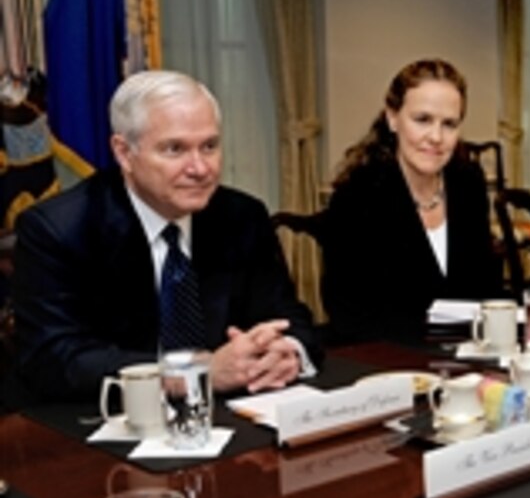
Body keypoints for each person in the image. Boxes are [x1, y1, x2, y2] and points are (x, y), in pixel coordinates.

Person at [12, 70, 321, 405]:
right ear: (124, 153)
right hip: (102, 425)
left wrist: (285, 352)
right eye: (175, 149)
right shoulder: (59, 229)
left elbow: (290, 318)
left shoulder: (241, 216)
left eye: (209, 146)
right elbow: (54, 359)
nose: (200, 168)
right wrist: (193, 373)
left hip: (231, 420)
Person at [321, 59, 501, 342]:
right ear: (393, 118)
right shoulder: (357, 197)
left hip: (470, 361)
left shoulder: (468, 184)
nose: (436, 137)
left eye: (449, 124)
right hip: (389, 365)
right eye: (423, 120)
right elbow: (350, 314)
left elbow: (486, 288)